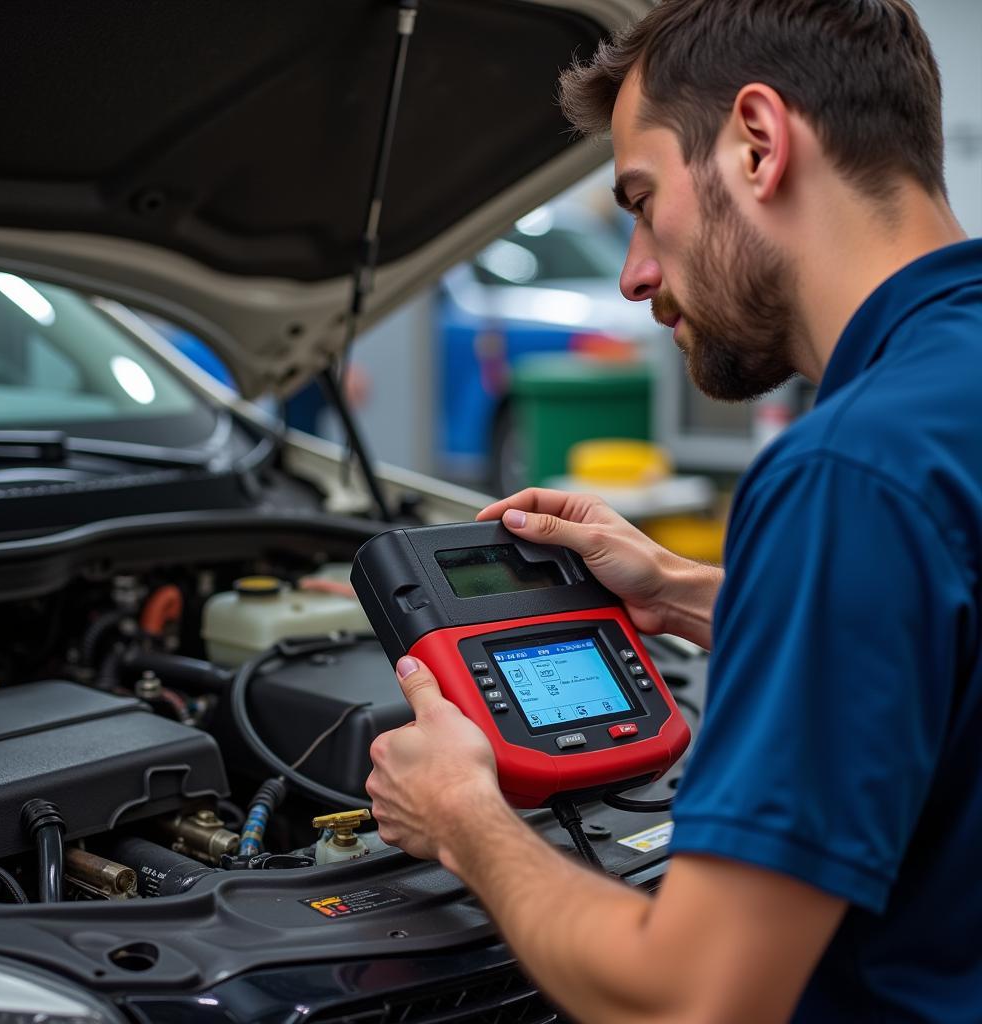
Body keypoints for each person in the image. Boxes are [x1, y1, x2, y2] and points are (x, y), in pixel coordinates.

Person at [366, 1, 981, 1020]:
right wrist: (685, 589)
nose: (635, 273)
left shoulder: (849, 470)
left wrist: (464, 815)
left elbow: (690, 1000)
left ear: (756, 143)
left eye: (643, 202)